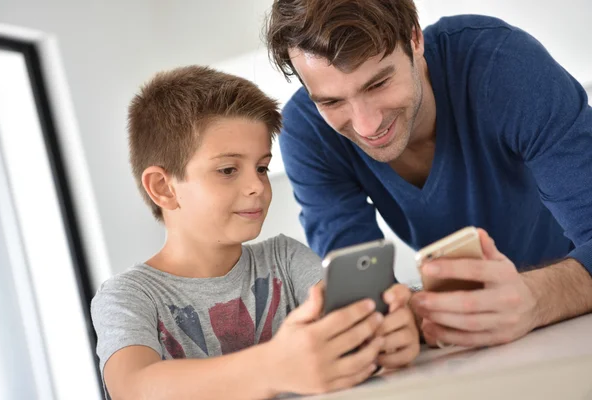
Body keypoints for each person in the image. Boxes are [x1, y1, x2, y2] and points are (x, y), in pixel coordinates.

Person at [265, 0, 592, 349]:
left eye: (378, 84)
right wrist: (391, 325)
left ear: (415, 40)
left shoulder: (505, 65)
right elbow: (362, 296)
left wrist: (536, 298)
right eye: (331, 102)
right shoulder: (308, 132)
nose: (367, 125)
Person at [90, 65, 420, 400]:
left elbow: (352, 335)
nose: (256, 186)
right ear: (163, 188)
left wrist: (388, 333)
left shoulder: (285, 259)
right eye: (228, 170)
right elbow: (132, 388)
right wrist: (271, 367)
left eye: (261, 168)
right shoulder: (128, 296)